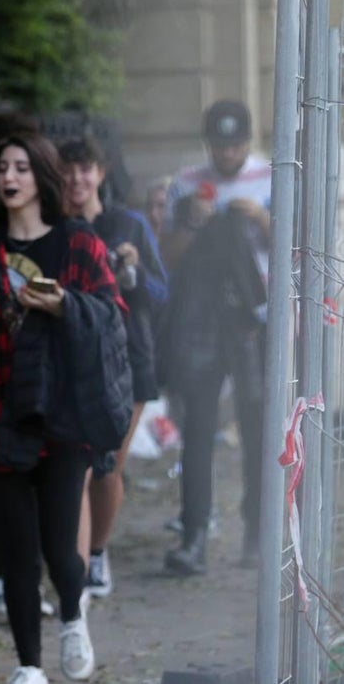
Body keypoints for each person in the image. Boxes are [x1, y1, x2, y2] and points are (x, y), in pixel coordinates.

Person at [0, 132, 130, 684]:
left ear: (43, 178)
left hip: (64, 414)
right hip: (0, 414)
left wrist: (64, 305)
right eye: (3, 167)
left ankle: (73, 618)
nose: (10, 177)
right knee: (16, 554)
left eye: (23, 168)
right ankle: (29, 665)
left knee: (60, 544)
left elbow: (112, 315)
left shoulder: (79, 243)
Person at [158, 99, 270, 576]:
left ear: (247, 142)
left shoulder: (271, 175)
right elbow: (169, 257)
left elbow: (297, 246)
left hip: (253, 317)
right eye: (220, 146)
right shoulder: (186, 182)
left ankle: (257, 531)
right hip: (201, 317)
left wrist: (261, 220)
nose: (228, 154)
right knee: (198, 428)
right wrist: (192, 219)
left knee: (257, 422)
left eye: (235, 145)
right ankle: (195, 533)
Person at [60, 137, 167, 597]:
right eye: (67, 170)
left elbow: (164, 293)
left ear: (101, 174)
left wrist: (136, 271)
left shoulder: (129, 224)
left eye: (85, 169)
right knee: (73, 467)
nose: (76, 179)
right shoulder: (50, 226)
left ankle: (96, 555)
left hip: (128, 363)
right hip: (68, 360)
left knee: (106, 465)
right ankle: (72, 561)